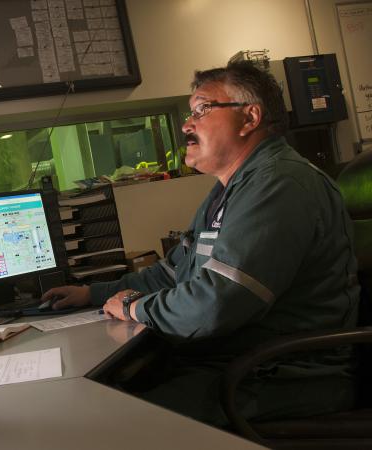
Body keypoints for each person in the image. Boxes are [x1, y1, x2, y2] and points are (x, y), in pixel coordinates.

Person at [43, 61, 360, 426]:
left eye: (202, 110)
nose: (186, 125)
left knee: (113, 424)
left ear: (250, 117)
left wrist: (134, 308)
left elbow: (216, 302)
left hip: (278, 376)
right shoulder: (229, 191)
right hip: (235, 365)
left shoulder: (280, 184)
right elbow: (170, 273)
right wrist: (92, 294)